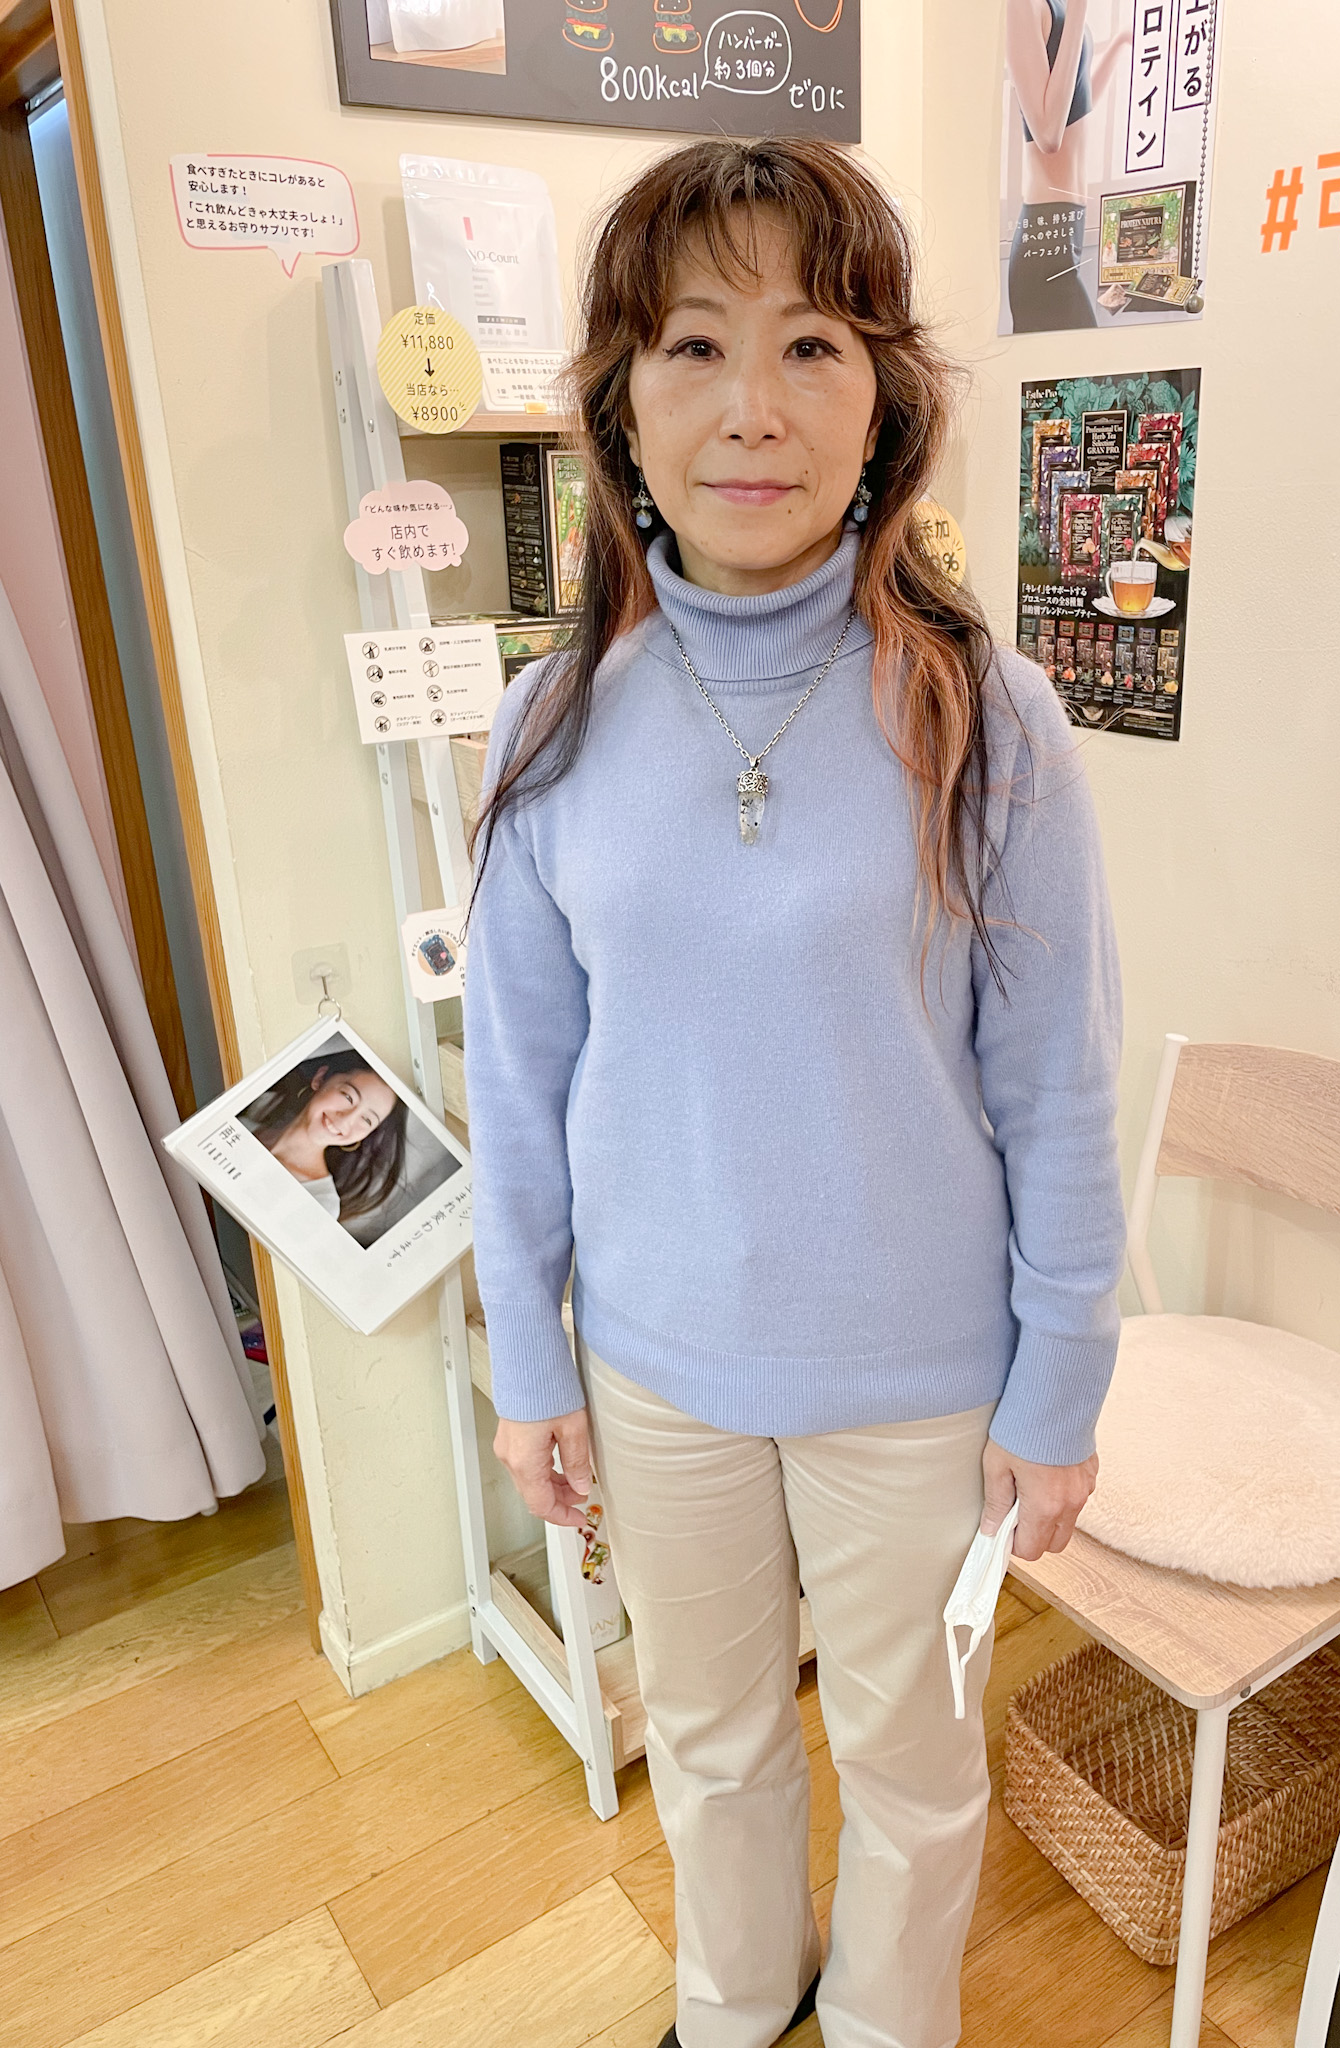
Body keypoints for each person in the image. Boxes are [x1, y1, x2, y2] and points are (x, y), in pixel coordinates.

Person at [465, 137, 1125, 2048]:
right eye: (694, 345)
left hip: (918, 1381)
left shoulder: (988, 716)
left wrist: (1060, 1387)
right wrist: (530, 1359)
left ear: (882, 400)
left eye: (812, 344)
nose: (752, 407)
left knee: (912, 1757)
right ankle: (735, 2000)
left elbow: (1058, 1085)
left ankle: (892, 2021)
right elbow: (518, 1078)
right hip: (656, 1368)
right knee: (713, 1732)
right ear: (621, 399)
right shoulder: (549, 724)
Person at [1004, 0, 1130, 331]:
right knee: (1087, 356)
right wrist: (1078, 12)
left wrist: (1120, 43)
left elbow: (1077, 104)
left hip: (1068, 226)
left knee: (1085, 355)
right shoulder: (1024, 5)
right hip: (1043, 235)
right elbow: (1048, 134)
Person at [241, 1052, 405, 1233]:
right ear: (320, 1078)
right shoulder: (245, 1122)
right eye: (348, 1097)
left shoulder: (321, 1202)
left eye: (367, 1120)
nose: (345, 1120)